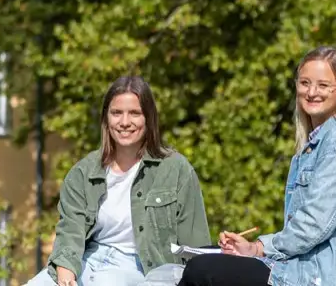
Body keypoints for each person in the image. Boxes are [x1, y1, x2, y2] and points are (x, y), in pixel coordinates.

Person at [178, 46, 336, 286]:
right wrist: (249, 248)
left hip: (326, 274)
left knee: (202, 269)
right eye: (305, 83)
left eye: (323, 85)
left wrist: (258, 248)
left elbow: (313, 225)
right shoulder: (312, 145)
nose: (311, 92)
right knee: (202, 254)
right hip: (301, 265)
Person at [25, 76, 211, 286]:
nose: (124, 122)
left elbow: (196, 246)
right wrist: (66, 275)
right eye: (116, 113)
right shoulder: (83, 173)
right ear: (106, 119)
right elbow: (70, 232)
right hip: (87, 260)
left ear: (148, 118)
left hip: (143, 267)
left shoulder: (176, 169)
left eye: (134, 113)